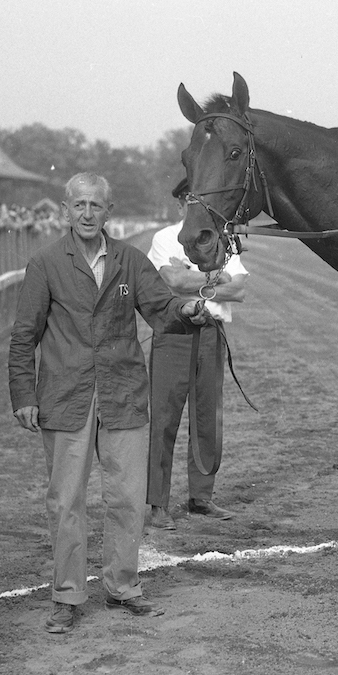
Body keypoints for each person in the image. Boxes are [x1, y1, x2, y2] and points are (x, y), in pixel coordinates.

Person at [9, 172, 211, 634]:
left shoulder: (129, 260)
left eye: (94, 206)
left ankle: (123, 587)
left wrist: (188, 310)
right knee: (66, 501)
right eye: (78, 204)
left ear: (108, 211)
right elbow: (24, 336)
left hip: (123, 396)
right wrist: (23, 394)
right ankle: (67, 596)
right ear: (65, 209)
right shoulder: (45, 263)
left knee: (125, 499)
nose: (85, 213)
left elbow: (161, 308)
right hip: (65, 398)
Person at [145, 206, 248, 529]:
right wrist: (218, 278)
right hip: (175, 331)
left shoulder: (224, 240)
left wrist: (193, 280)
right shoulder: (165, 238)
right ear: (179, 205)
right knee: (164, 418)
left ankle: (200, 497)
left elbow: (240, 289)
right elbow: (171, 280)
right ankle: (157, 503)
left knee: (207, 417)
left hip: (212, 332)